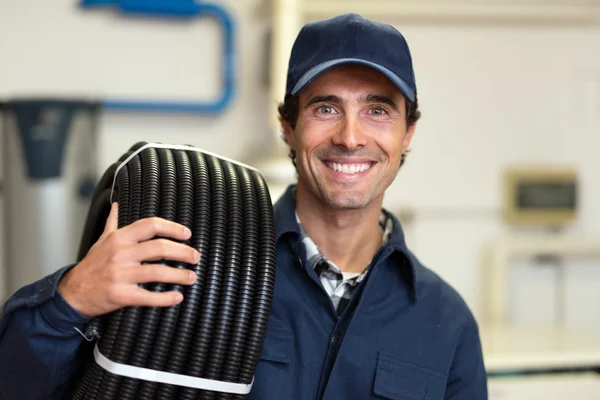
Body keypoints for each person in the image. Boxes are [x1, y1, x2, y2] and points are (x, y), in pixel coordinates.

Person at [0, 13, 487, 399]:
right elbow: (18, 385)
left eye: (377, 110)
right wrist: (72, 300)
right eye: (326, 108)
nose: (350, 136)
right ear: (288, 127)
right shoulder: (186, 257)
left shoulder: (445, 321)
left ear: (408, 134)